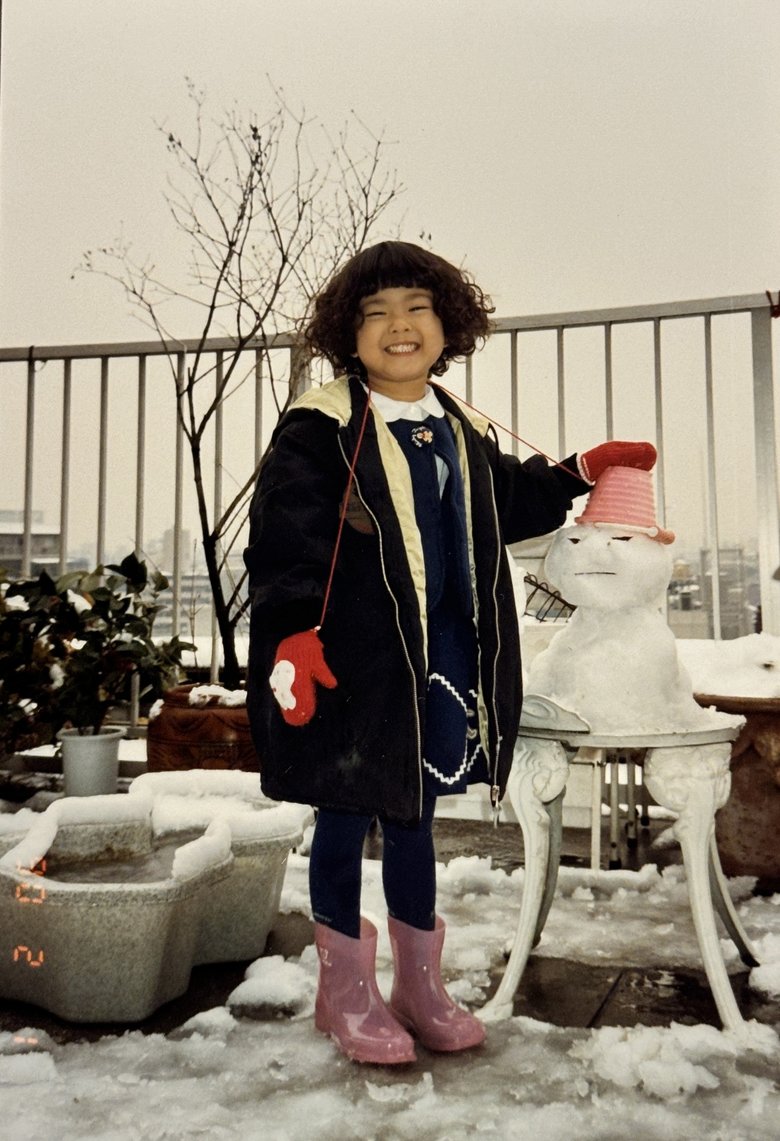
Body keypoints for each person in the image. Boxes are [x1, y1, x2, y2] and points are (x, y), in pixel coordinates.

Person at [244, 240, 654, 1064]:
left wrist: (579, 469)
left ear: (446, 325)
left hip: (443, 658)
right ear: (346, 335)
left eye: (416, 309)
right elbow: (286, 535)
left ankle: (418, 986)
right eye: (376, 314)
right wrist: (293, 632)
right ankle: (345, 990)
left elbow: (509, 501)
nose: (399, 326)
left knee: (417, 812)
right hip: (354, 662)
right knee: (346, 807)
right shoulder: (321, 424)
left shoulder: (458, 425)